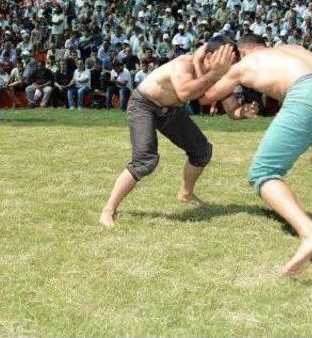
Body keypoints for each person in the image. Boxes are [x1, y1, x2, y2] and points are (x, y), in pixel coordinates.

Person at [199, 34, 312, 276]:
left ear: (242, 52)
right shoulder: (292, 48)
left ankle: (311, 234)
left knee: (263, 173)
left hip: (309, 92)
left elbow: (205, 97)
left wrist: (214, 70)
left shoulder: (244, 65)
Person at [100, 44, 242, 229]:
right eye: (227, 60)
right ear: (209, 56)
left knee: (201, 151)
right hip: (144, 105)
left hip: (170, 110)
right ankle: (108, 210)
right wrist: (214, 74)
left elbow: (231, 108)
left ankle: (186, 194)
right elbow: (185, 93)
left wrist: (242, 112)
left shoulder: (214, 73)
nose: (229, 66)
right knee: (145, 161)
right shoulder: (184, 64)